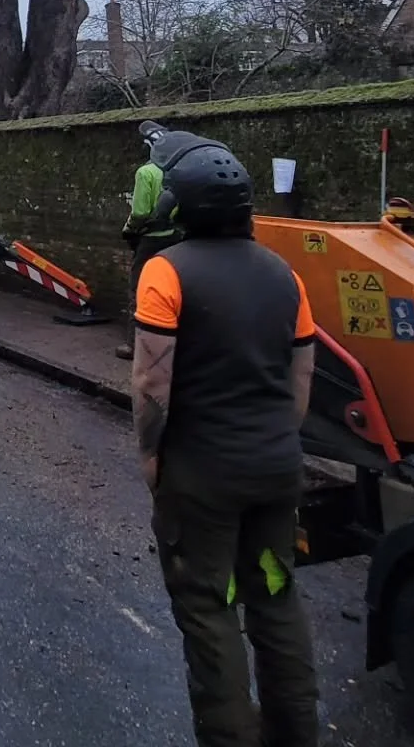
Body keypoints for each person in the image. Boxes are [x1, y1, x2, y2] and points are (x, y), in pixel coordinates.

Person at [131, 135, 319, 747]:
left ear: (179, 207)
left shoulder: (166, 271)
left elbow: (152, 382)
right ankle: (297, 734)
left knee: (210, 609)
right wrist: (276, 442)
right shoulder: (285, 275)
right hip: (276, 466)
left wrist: (151, 454)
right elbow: (302, 376)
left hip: (202, 473)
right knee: (276, 597)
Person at [115, 120, 181, 361]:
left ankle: (134, 345)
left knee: (139, 288)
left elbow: (140, 212)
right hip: (176, 239)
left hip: (150, 241)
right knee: (174, 288)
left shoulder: (147, 172)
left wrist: (129, 229)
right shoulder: (179, 170)